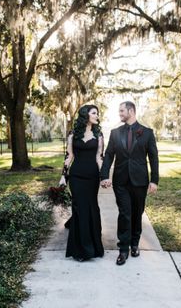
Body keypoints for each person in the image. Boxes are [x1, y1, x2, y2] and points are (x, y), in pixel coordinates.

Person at [100, 101, 159, 265]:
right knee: (125, 213)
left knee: (137, 213)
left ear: (131, 111)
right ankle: (123, 249)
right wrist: (104, 175)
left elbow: (153, 157)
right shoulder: (115, 133)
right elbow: (109, 155)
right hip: (121, 181)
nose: (119, 114)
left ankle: (135, 244)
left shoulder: (147, 133)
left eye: (121, 111)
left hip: (140, 181)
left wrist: (154, 180)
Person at [59, 105, 104, 262]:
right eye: (94, 113)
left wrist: (104, 176)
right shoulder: (73, 134)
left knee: (91, 207)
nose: (96, 115)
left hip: (92, 177)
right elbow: (69, 156)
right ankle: (79, 250)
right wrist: (63, 176)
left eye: (97, 113)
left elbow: (100, 157)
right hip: (76, 176)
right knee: (79, 209)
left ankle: (94, 247)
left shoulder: (98, 134)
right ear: (86, 115)